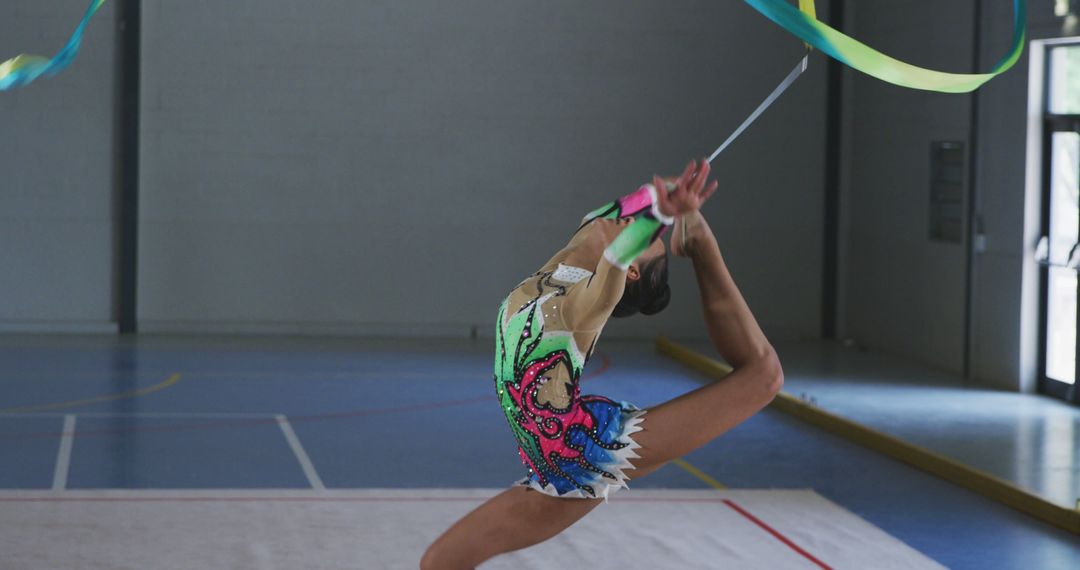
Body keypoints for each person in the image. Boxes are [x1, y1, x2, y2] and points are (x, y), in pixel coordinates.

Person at [421, 159, 784, 569]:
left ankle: (700, 242)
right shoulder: (574, 249)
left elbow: (614, 257)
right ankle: (693, 234)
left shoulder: (580, 308)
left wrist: (666, 215)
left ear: (630, 269)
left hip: (587, 456)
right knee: (439, 563)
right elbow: (632, 205)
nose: (638, 223)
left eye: (647, 235)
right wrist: (668, 193)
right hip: (550, 469)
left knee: (765, 377)